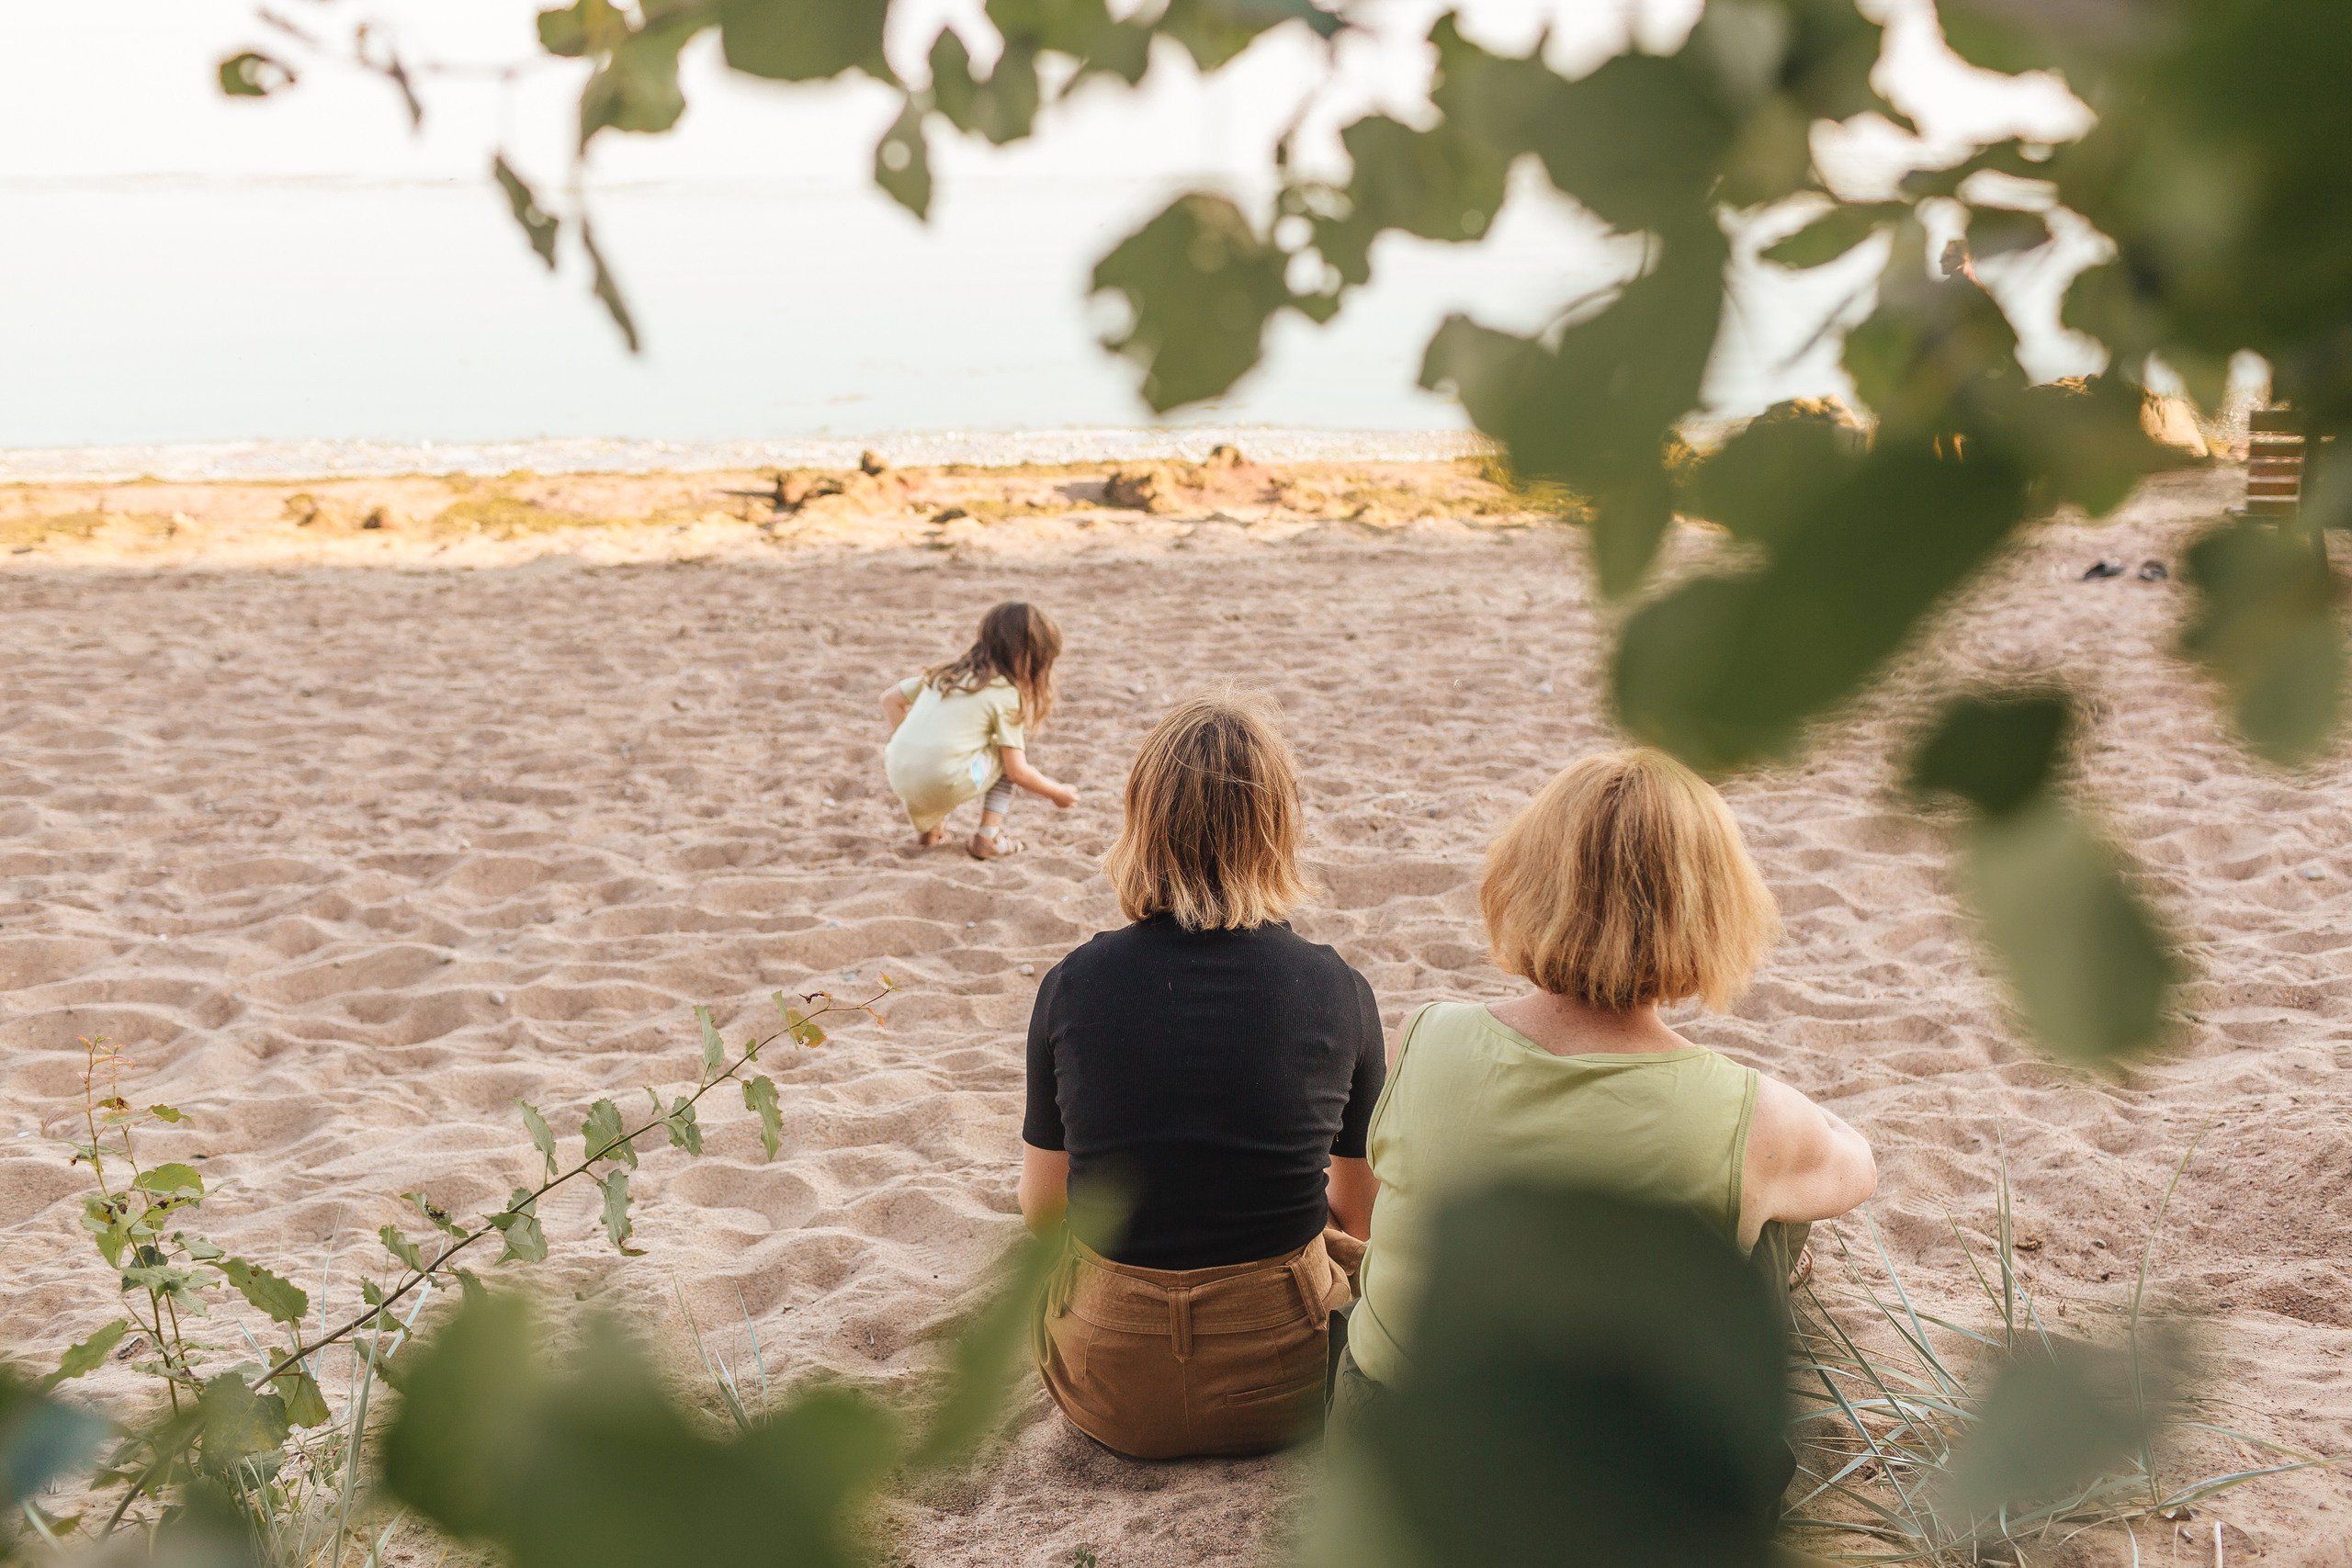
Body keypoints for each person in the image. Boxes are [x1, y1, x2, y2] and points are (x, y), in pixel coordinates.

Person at [1338, 748, 1876, 1411]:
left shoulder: (1428, 1033)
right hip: (1606, 1485)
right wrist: (1760, 1112)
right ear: (1710, 911)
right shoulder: (1748, 1113)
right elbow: (1857, 1169)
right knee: (1763, 1211)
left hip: (1390, 1442)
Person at [1019, 692, 1385, 1460]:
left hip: (1108, 1383)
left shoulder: (1074, 984)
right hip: (1286, 1384)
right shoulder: (1336, 990)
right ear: (1278, 829)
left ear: (1142, 822)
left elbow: (1046, 1210)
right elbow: (1358, 1210)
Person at [880, 602, 1076, 859]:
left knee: (946, 748)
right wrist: (1057, 793)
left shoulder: (944, 676)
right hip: (941, 780)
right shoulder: (1004, 693)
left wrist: (906, 739)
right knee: (1002, 756)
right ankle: (988, 836)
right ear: (1031, 657)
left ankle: (929, 833)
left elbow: (889, 699)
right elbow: (1018, 772)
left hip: (898, 772)